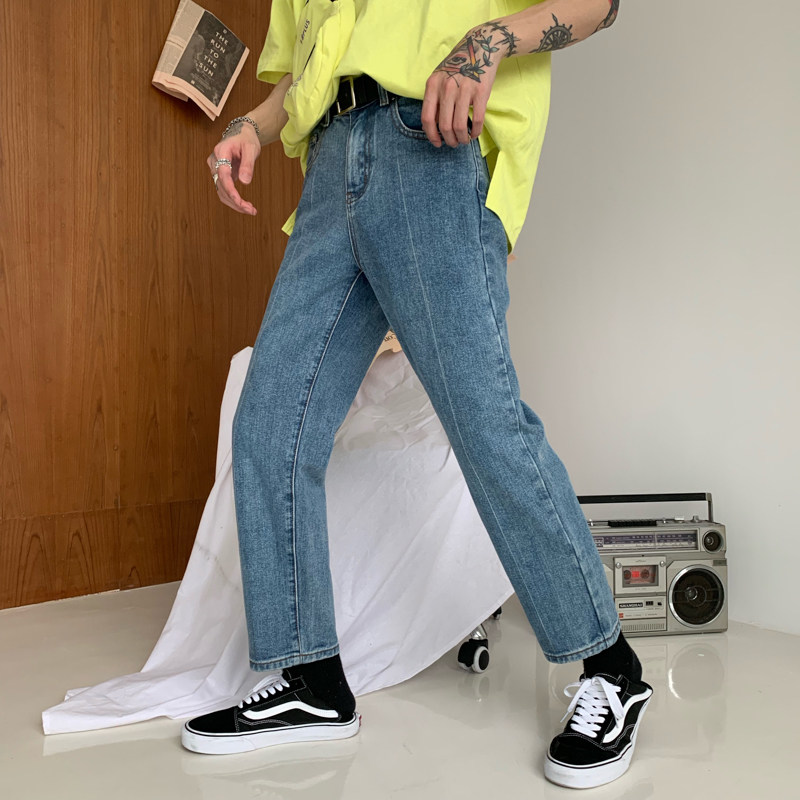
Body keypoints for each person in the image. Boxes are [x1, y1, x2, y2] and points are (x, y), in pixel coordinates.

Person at [189, 0, 652, 790]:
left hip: (432, 148)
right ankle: (310, 678)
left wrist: (486, 39)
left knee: (484, 421)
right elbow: (305, 74)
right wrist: (252, 129)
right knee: (269, 425)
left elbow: (598, 4)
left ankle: (610, 666)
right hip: (331, 163)